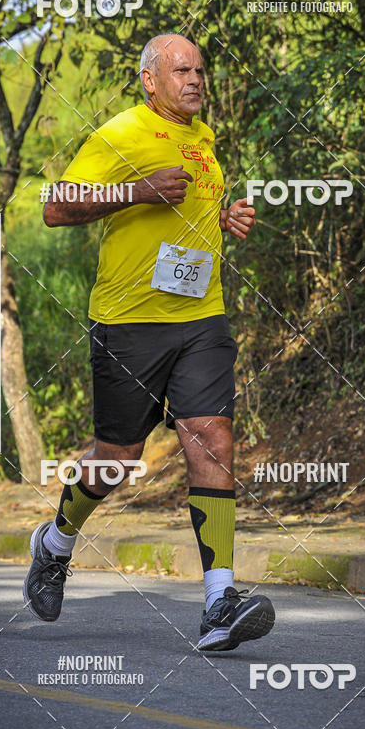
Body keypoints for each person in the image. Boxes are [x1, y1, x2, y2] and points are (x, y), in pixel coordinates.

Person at [24, 33, 275, 651]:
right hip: (129, 322)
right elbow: (56, 207)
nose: (195, 80)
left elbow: (185, 217)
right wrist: (135, 190)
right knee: (117, 458)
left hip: (201, 318)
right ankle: (55, 542)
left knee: (212, 438)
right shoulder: (121, 133)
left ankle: (219, 601)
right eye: (181, 70)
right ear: (150, 79)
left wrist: (223, 220)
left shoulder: (203, 139)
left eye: (200, 70)